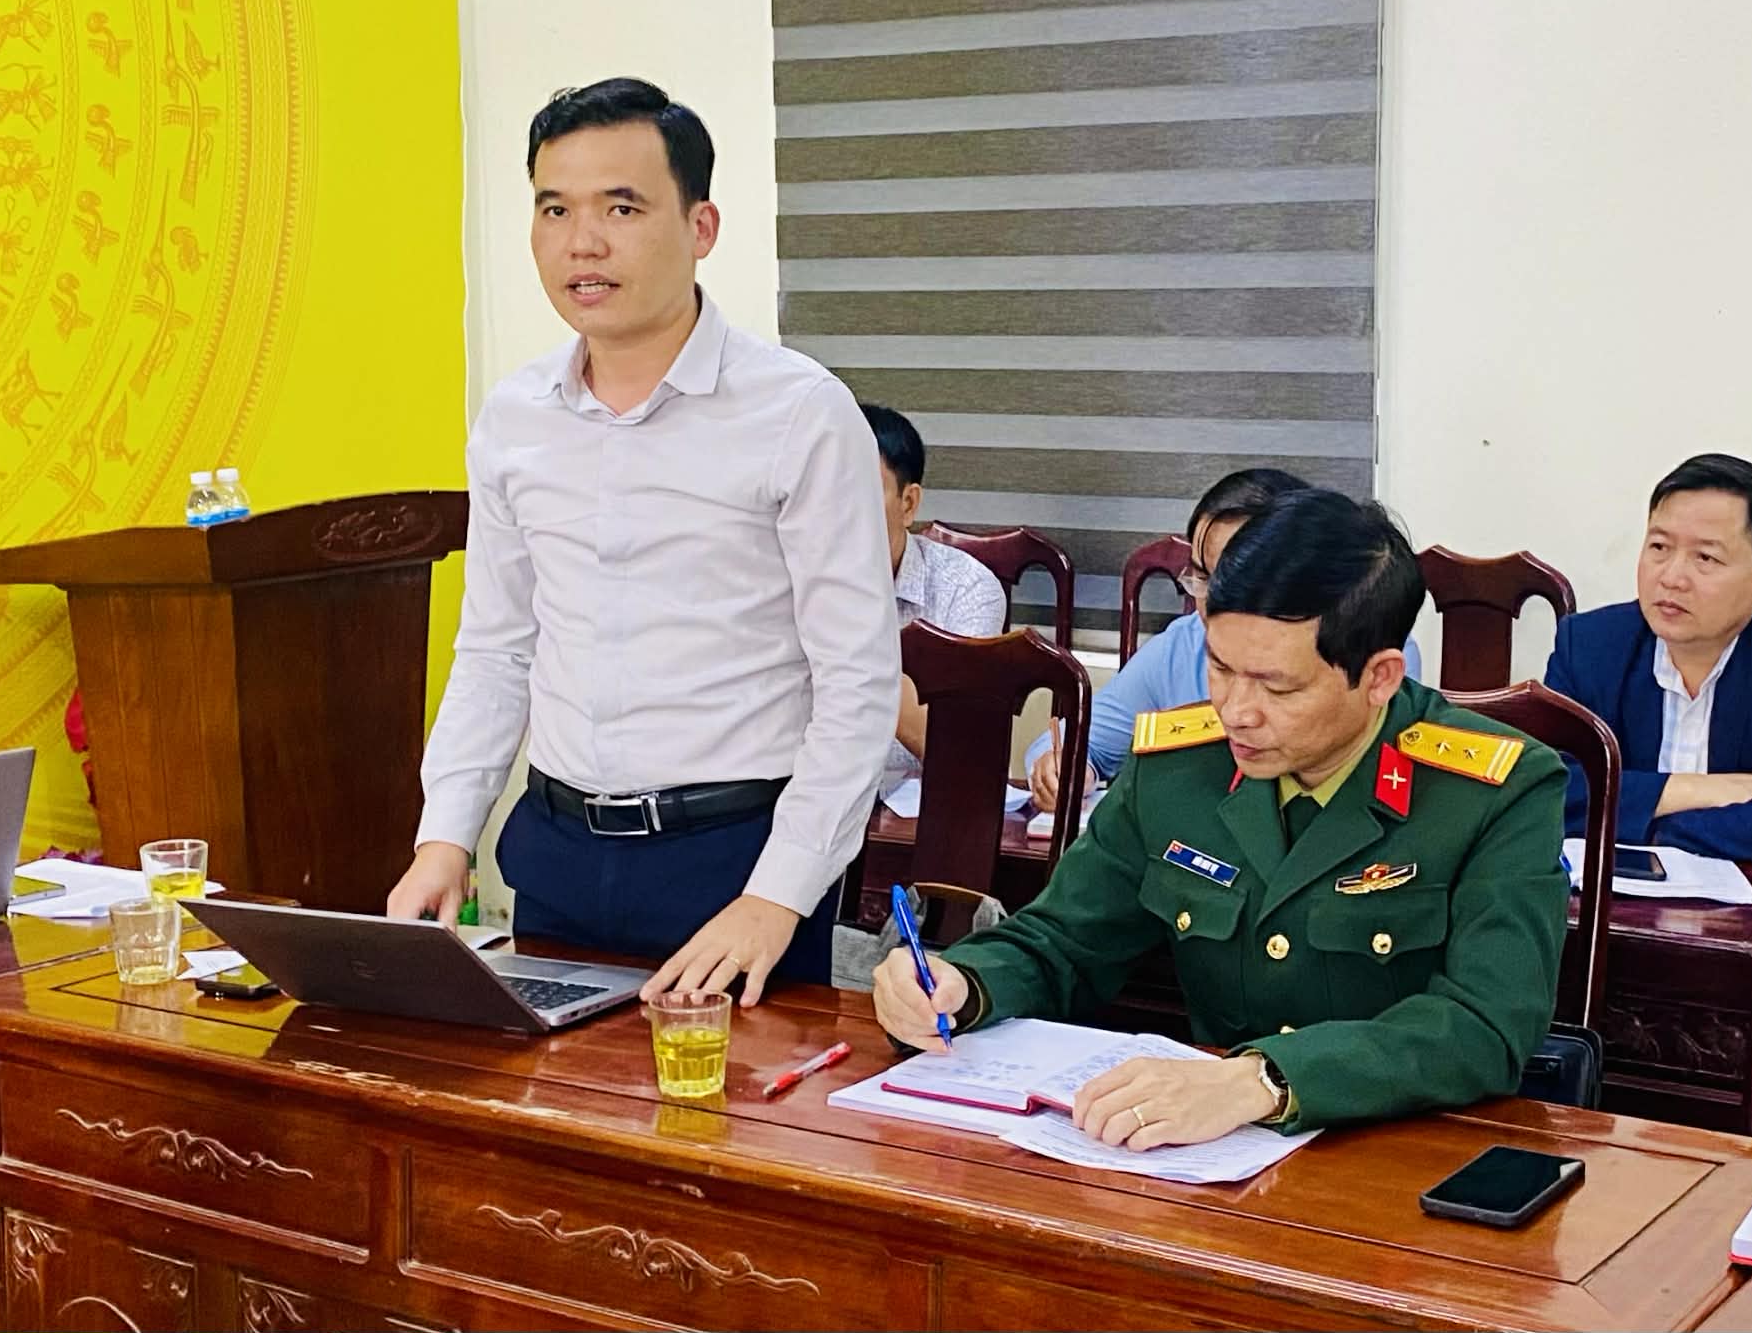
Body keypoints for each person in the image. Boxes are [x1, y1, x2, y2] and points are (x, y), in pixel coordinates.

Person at [387, 78, 900, 1004]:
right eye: (555, 209)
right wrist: (445, 834)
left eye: (621, 208)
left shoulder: (800, 413)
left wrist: (778, 896)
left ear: (702, 227)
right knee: (548, 1096)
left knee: (726, 1097)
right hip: (556, 854)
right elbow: (497, 649)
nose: (582, 242)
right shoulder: (514, 417)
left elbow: (856, 681)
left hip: (732, 862)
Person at [874, 489, 1568, 1144]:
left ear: (1379, 677)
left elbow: (1486, 1024)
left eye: (1276, 687)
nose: (1236, 711)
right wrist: (966, 984)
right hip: (1202, 1159)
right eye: (1221, 668)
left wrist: (1267, 1080)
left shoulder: (1495, 791)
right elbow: (1063, 942)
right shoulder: (1179, 766)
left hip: (1401, 1159)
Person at [1022, 469, 1419, 813]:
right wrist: (1066, 770)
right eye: (1203, 577)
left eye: (1277, 686)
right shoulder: (1180, 646)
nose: (1215, 600)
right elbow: (1078, 744)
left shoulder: (1365, 642)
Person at [1543, 453, 1752, 868]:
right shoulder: (1588, 644)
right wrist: (1708, 790)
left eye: (1705, 558)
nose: (1672, 577)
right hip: (1616, 899)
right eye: (1659, 547)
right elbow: (1546, 792)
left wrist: (1650, 828)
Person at [862, 401, 1007, 792]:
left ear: (908, 503)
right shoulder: (783, 580)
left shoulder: (967, 589)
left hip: (916, 810)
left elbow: (960, 748)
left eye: (859, 492)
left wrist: (849, 642)